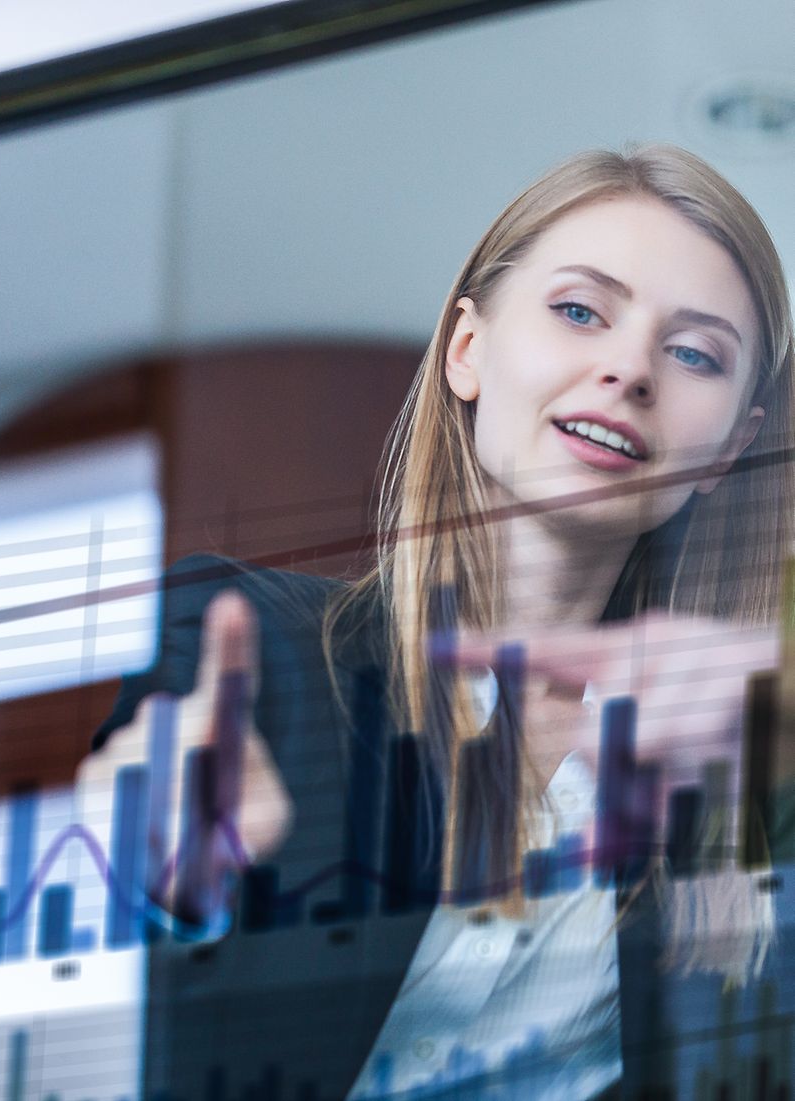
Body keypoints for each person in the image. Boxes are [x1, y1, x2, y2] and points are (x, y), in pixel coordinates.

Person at [83, 144, 795, 1100]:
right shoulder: (256, 652)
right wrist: (172, 890)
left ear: (732, 448)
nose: (629, 369)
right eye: (580, 311)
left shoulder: (735, 783)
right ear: (468, 350)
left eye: (695, 353)